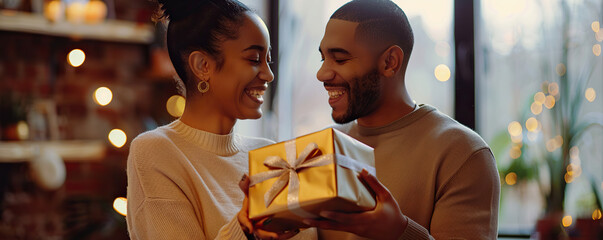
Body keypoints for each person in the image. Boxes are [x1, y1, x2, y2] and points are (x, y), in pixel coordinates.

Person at [302, 0, 500, 239]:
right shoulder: (325, 148)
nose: (322, 73)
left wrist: (398, 232)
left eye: (340, 59)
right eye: (323, 58)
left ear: (390, 62)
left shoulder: (462, 153)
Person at [125, 0, 313, 239]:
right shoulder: (157, 152)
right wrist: (246, 231)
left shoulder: (270, 155)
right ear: (203, 65)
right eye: (255, 59)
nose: (269, 74)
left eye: (269, 60)